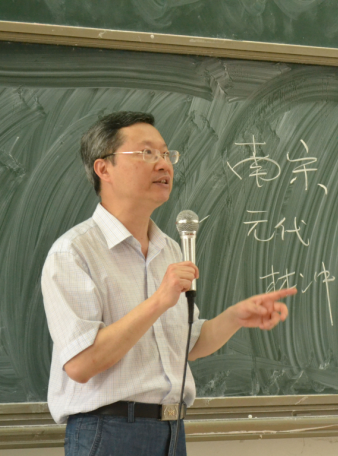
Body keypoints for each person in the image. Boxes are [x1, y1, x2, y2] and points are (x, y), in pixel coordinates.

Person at [41, 111, 295, 456]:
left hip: (172, 432)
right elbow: (81, 363)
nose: (163, 164)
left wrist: (235, 317)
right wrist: (159, 300)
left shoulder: (169, 248)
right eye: (147, 153)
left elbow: (186, 344)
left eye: (166, 154)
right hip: (108, 432)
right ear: (104, 168)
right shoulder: (74, 252)